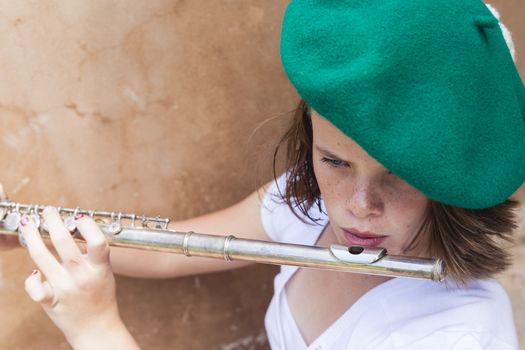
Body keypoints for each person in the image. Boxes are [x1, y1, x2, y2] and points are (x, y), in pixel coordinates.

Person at [2, 0, 524, 349]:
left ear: (452, 172)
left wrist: (95, 327)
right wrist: (34, 234)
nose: (357, 205)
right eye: (335, 162)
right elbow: (165, 250)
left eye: (402, 175)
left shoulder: (459, 332)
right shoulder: (308, 208)